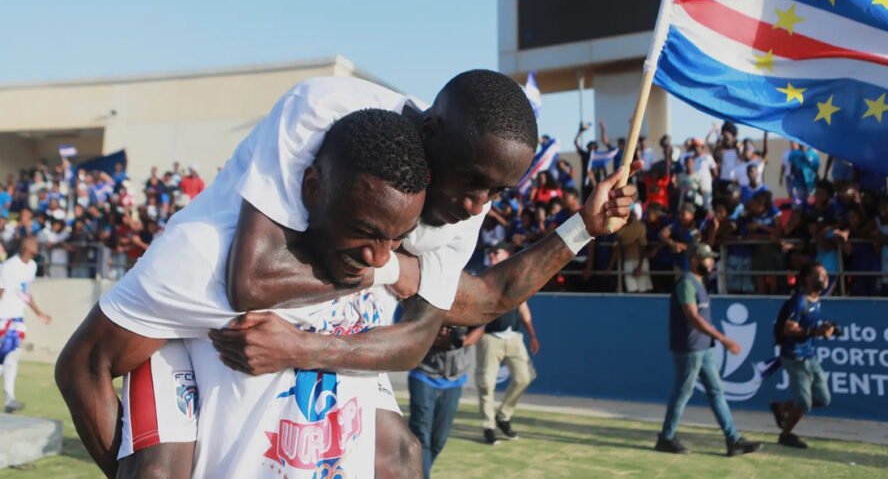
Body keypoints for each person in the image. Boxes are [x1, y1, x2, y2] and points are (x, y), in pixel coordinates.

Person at [58, 73, 638, 479]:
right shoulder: (315, 121)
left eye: (495, 192)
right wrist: (393, 270)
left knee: (401, 456)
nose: (476, 206)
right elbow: (248, 281)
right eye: (470, 181)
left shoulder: (457, 206)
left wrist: (582, 228)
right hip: (200, 325)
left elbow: (468, 306)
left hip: (318, 339)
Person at [656, 243, 761, 457]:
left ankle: (733, 440)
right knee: (683, 393)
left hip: (704, 348)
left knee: (716, 391)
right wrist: (723, 339)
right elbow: (693, 318)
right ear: (694, 259)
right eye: (707, 258)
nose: (711, 262)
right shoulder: (686, 283)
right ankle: (666, 438)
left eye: (712, 258)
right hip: (690, 350)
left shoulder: (698, 282)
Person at [476, 243, 539, 445]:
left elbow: (523, 308)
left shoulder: (515, 278)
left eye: (496, 252)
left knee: (524, 377)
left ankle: (503, 416)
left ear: (507, 254)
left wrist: (533, 335)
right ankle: (488, 427)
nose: (492, 256)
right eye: (490, 253)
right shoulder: (483, 277)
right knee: (486, 384)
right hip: (489, 338)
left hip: (514, 337)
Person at [770, 262, 835, 449]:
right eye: (819, 275)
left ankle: (781, 407)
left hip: (810, 356)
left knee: (823, 398)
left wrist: (828, 329)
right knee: (804, 402)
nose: (824, 279)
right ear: (807, 279)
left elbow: (811, 327)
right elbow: (789, 329)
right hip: (795, 357)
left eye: (825, 275)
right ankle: (785, 435)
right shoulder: (799, 301)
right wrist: (815, 332)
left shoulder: (817, 299)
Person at [408, 322, 483, 478]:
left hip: (454, 379)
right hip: (423, 373)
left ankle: (414, 471)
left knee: (439, 440)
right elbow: (409, 328)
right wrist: (432, 338)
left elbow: (479, 328)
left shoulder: (466, 308)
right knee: (421, 435)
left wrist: (460, 342)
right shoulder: (423, 305)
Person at [0, 237, 52, 413]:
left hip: (17, 318)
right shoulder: (8, 266)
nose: (37, 245)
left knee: (11, 358)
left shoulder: (32, 267)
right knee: (5, 357)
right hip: (4, 318)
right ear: (25, 246)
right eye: (33, 243)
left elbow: (25, 293)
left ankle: (10, 399)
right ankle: (9, 399)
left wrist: (39, 313)